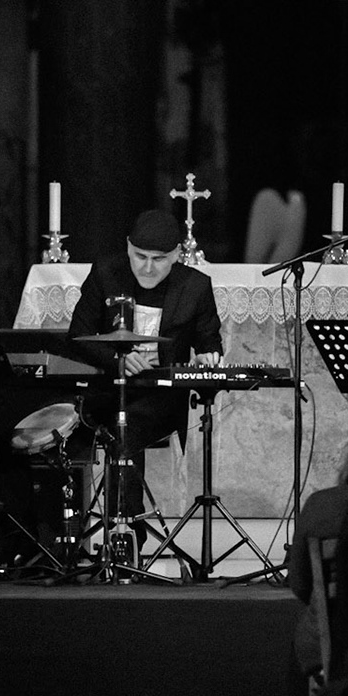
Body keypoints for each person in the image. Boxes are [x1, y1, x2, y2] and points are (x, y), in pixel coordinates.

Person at [65, 209, 224, 515]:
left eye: (159, 259)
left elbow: (209, 341)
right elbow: (78, 336)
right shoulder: (105, 273)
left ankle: (126, 526)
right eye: (140, 257)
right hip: (109, 389)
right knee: (67, 423)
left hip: (161, 397)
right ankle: (77, 528)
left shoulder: (195, 286)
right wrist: (117, 359)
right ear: (128, 247)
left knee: (126, 425)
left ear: (176, 254)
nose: (148, 267)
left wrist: (208, 356)